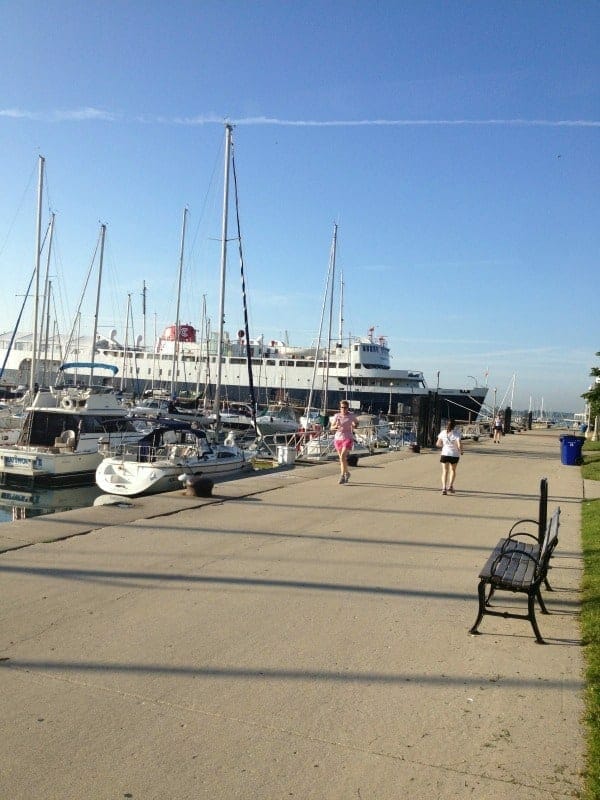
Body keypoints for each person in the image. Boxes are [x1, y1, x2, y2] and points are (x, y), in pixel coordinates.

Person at [330, 400, 358, 484]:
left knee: (342, 456)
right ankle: (347, 473)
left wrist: (354, 425)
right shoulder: (337, 416)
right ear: (340, 407)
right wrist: (336, 425)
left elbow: (356, 423)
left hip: (348, 438)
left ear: (347, 408)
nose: (343, 409)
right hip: (338, 438)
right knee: (342, 459)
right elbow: (332, 428)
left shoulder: (351, 415)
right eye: (342, 407)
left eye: (345, 408)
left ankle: (342, 476)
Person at [436, 419, 463, 495]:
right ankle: (450, 486)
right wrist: (461, 451)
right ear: (454, 426)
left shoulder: (442, 433)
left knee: (445, 471)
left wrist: (444, 446)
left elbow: (438, 444)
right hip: (454, 455)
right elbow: (459, 444)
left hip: (445, 454)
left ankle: (444, 488)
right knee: (453, 470)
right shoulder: (457, 433)